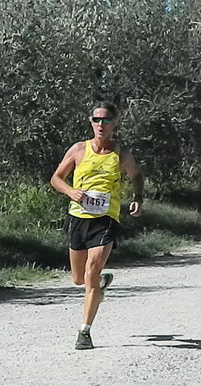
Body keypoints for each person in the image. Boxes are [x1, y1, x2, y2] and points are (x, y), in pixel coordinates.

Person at [50, 101, 144, 350]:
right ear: (91, 122)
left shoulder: (120, 154)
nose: (101, 125)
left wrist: (137, 199)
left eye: (106, 120)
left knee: (91, 271)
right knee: (79, 279)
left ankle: (85, 331)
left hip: (106, 219)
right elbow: (56, 178)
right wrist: (71, 192)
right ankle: (99, 282)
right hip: (78, 218)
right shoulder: (79, 149)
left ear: (114, 124)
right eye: (97, 120)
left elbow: (136, 175)